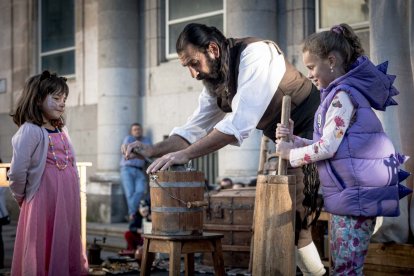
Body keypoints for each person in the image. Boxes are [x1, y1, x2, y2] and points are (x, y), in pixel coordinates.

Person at [124, 23, 325, 275]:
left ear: (212, 49)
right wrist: (152, 149)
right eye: (186, 66)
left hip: (314, 126)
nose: (193, 74)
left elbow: (238, 124)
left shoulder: (256, 54)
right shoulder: (214, 79)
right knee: (291, 219)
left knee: (296, 217)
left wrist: (185, 154)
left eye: (194, 63)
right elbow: (192, 129)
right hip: (286, 138)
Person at [275, 23, 411, 274]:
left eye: (311, 67)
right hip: (352, 197)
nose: (310, 75)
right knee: (343, 266)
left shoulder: (342, 96)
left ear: (331, 60)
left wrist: (290, 155)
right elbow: (334, 144)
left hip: (356, 200)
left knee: (346, 269)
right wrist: (294, 141)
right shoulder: (339, 95)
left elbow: (327, 147)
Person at [8, 70, 88, 275]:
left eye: (64, 99)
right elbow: (17, 172)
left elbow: (70, 160)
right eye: (56, 98)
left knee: (64, 237)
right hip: (43, 198)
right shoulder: (30, 131)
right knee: (42, 241)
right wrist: (21, 197)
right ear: (37, 100)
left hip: (68, 197)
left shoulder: (62, 130)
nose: (62, 103)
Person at [120, 123, 152, 230]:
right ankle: (134, 215)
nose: (137, 131)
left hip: (139, 170)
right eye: (135, 129)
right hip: (127, 169)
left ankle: (132, 214)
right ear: (131, 131)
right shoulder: (128, 139)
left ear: (141, 130)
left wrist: (139, 152)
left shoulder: (146, 140)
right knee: (130, 193)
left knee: (140, 191)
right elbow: (127, 153)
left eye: (139, 129)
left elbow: (149, 155)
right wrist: (141, 152)